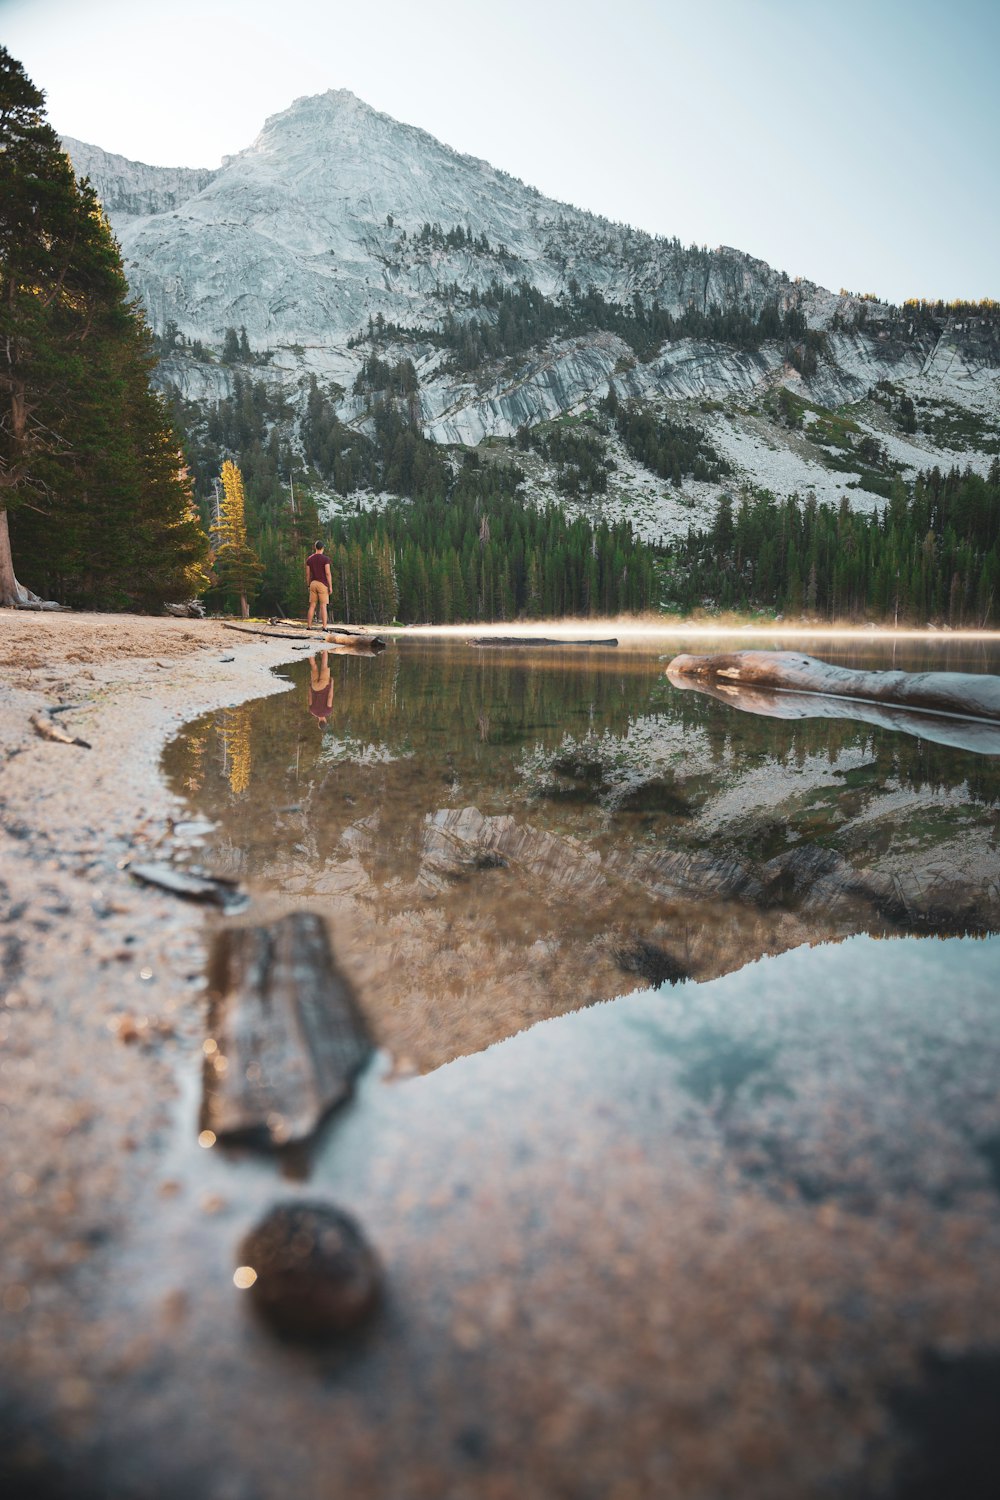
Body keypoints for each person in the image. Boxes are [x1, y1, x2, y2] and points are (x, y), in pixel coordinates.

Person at [306, 541, 333, 627]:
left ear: (315, 547)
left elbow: (308, 574)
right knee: (323, 606)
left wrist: (308, 584)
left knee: (312, 605)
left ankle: (309, 626)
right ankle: (324, 627)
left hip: (313, 583)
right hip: (322, 584)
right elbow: (328, 573)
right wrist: (330, 586)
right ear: (322, 548)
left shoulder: (309, 559)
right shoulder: (326, 559)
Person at [308, 650, 333, 727]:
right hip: (314, 687)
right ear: (318, 723)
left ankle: (325, 649)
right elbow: (309, 697)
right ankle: (309, 651)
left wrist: (332, 684)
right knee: (314, 666)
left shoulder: (328, 711)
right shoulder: (312, 711)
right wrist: (310, 687)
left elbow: (329, 697)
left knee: (324, 665)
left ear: (325, 721)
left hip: (324, 685)